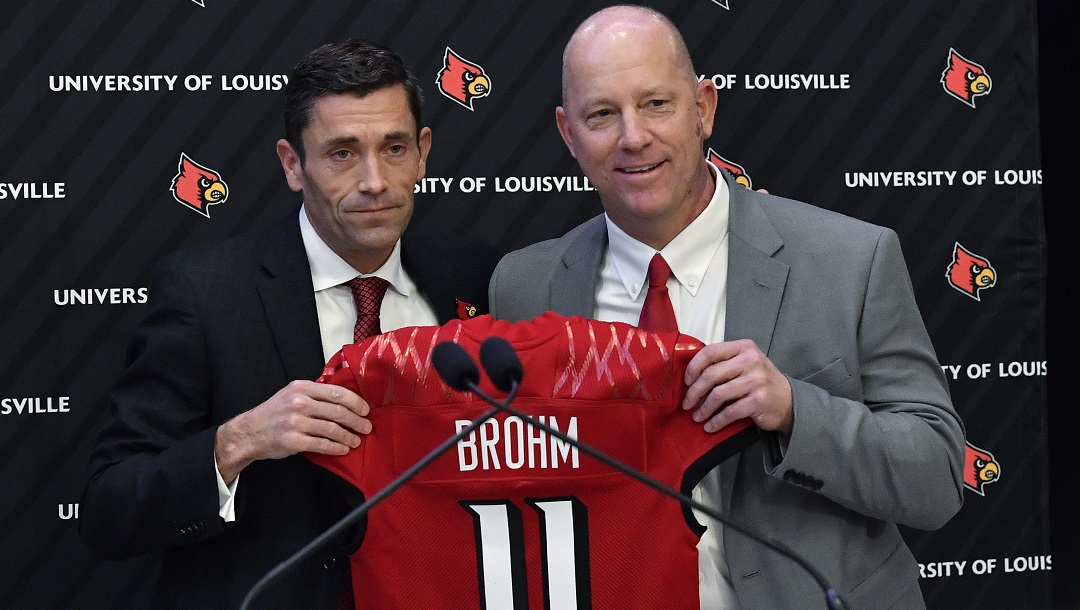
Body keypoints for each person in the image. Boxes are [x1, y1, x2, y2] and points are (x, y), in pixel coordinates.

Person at [488, 6, 965, 609]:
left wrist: (794, 410)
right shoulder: (523, 287)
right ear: (568, 133)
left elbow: (938, 481)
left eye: (656, 104)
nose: (633, 137)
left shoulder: (851, 259)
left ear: (704, 109)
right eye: (602, 114)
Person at [80, 39, 498, 609]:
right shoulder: (206, 293)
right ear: (292, 164)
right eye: (343, 153)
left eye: (394, 147)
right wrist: (238, 442)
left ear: (423, 153)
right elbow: (109, 510)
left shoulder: (475, 279)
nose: (374, 180)